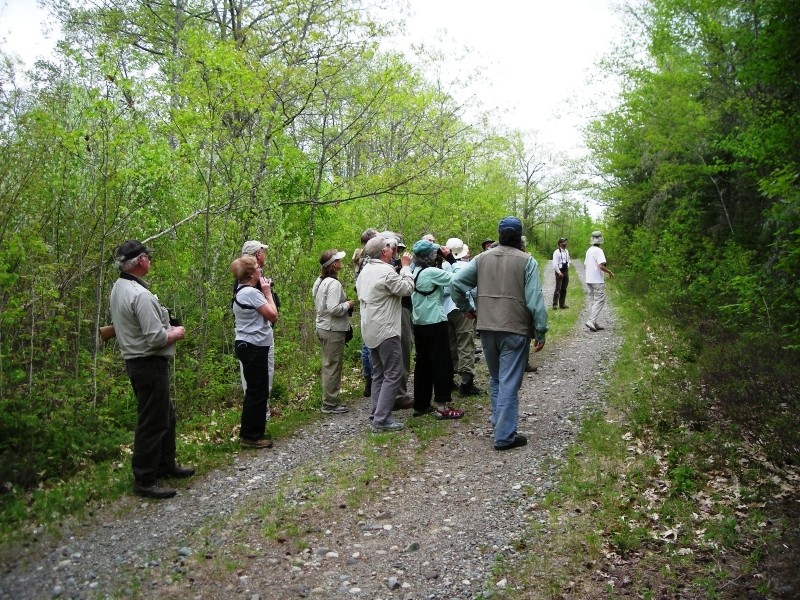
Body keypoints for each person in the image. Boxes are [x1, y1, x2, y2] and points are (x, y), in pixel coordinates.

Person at [451, 217, 548, 451]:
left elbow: (455, 284)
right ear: (519, 236)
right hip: (515, 328)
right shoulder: (527, 261)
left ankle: (499, 423)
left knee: (496, 379)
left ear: (500, 234)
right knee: (509, 383)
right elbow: (534, 300)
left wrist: (467, 308)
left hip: (487, 328)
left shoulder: (481, 259)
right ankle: (504, 436)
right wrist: (540, 330)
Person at [109, 240, 193, 499]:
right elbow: (156, 339)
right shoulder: (140, 295)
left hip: (138, 363)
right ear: (141, 261)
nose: (150, 260)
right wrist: (176, 332)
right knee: (152, 422)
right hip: (149, 363)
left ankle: (165, 465)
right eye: (148, 256)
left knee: (165, 415)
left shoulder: (120, 287)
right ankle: (145, 479)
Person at [356, 235, 414, 432]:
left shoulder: (365, 271)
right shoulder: (385, 272)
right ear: (383, 251)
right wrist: (405, 268)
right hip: (386, 329)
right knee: (393, 373)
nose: (393, 249)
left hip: (370, 328)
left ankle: (377, 413)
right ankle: (381, 420)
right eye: (390, 247)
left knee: (379, 374)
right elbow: (407, 288)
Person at [410, 239, 466, 419]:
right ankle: (442, 406)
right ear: (431, 256)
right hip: (435, 321)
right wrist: (451, 258)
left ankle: (421, 404)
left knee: (423, 364)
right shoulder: (431, 272)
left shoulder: (414, 271)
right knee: (441, 363)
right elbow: (459, 278)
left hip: (419, 322)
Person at [230, 255, 279, 449]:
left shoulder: (241, 292)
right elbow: (273, 316)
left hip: (249, 344)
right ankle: (251, 436)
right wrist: (267, 293)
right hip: (253, 346)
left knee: (256, 390)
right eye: (258, 268)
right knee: (257, 391)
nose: (261, 270)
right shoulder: (251, 293)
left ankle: (253, 432)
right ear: (251, 273)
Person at [312, 249, 354, 414]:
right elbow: (334, 309)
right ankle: (330, 403)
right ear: (334, 265)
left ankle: (329, 401)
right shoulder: (334, 284)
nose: (340, 263)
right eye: (338, 261)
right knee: (333, 366)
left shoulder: (319, 281)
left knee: (329, 364)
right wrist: (348, 305)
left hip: (322, 327)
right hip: (332, 329)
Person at [239, 240, 280, 398]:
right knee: (256, 377)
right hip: (255, 338)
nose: (265, 255)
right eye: (263, 252)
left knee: (262, 375)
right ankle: (259, 407)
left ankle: (262, 406)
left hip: (259, 334)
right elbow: (272, 315)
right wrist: (267, 292)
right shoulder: (248, 282)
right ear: (258, 254)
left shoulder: (247, 277)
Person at [378, 231, 413, 410]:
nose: (396, 252)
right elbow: (406, 289)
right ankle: (397, 395)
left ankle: (387, 395)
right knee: (400, 352)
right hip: (397, 311)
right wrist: (405, 268)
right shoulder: (386, 268)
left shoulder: (373, 267)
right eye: (394, 248)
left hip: (384, 314)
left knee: (390, 355)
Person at [443, 237, 482, 397]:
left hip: (444, 309)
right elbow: (473, 291)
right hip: (462, 308)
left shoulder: (442, 265)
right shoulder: (466, 266)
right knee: (465, 343)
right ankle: (466, 382)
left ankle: (449, 377)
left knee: (450, 344)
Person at [352, 228, 378, 397]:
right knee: (371, 344)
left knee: (366, 343)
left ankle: (369, 380)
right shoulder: (370, 260)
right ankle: (374, 379)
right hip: (373, 303)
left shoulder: (359, 258)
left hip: (364, 302)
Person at [584, 230, 615, 332]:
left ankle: (594, 322)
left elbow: (585, 265)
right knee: (600, 299)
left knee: (592, 300)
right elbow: (601, 266)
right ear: (601, 240)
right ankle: (591, 321)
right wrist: (609, 272)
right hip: (597, 279)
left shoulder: (589, 250)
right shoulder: (599, 251)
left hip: (589, 279)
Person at [552, 237, 570, 309]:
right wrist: (559, 272)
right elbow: (555, 264)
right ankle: (555, 304)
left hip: (565, 270)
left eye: (565, 242)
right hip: (559, 271)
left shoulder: (567, 251)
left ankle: (562, 304)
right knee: (558, 288)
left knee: (564, 288)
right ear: (560, 243)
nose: (565, 243)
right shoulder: (556, 252)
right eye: (563, 242)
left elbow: (569, 260)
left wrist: (568, 266)